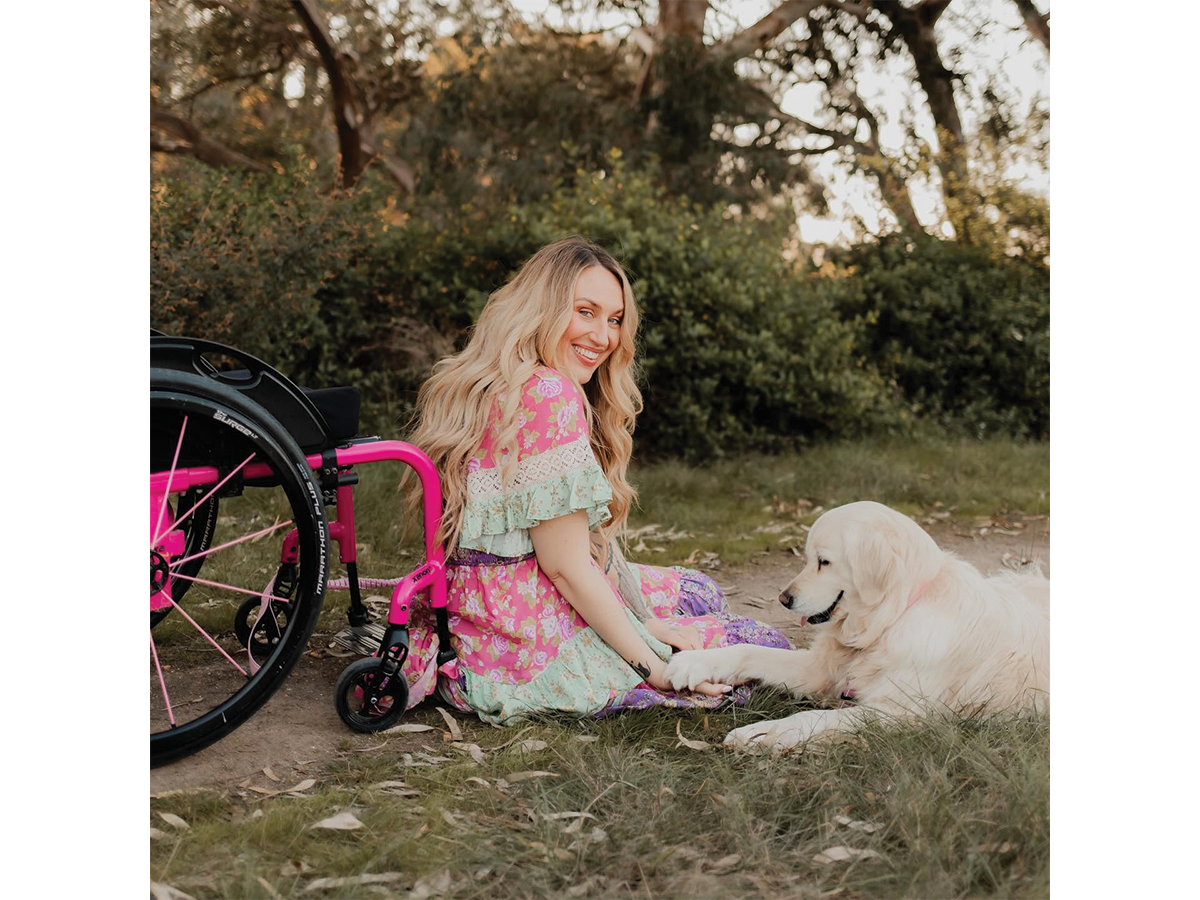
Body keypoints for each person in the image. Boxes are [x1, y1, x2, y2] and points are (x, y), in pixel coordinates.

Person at [398, 236, 790, 724]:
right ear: (541, 310)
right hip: (524, 637)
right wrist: (651, 664)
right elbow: (565, 566)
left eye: (615, 319)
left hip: (471, 617)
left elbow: (571, 551)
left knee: (695, 591)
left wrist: (644, 618)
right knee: (755, 642)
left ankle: (645, 623)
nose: (604, 337)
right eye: (585, 312)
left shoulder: (486, 383)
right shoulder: (548, 392)